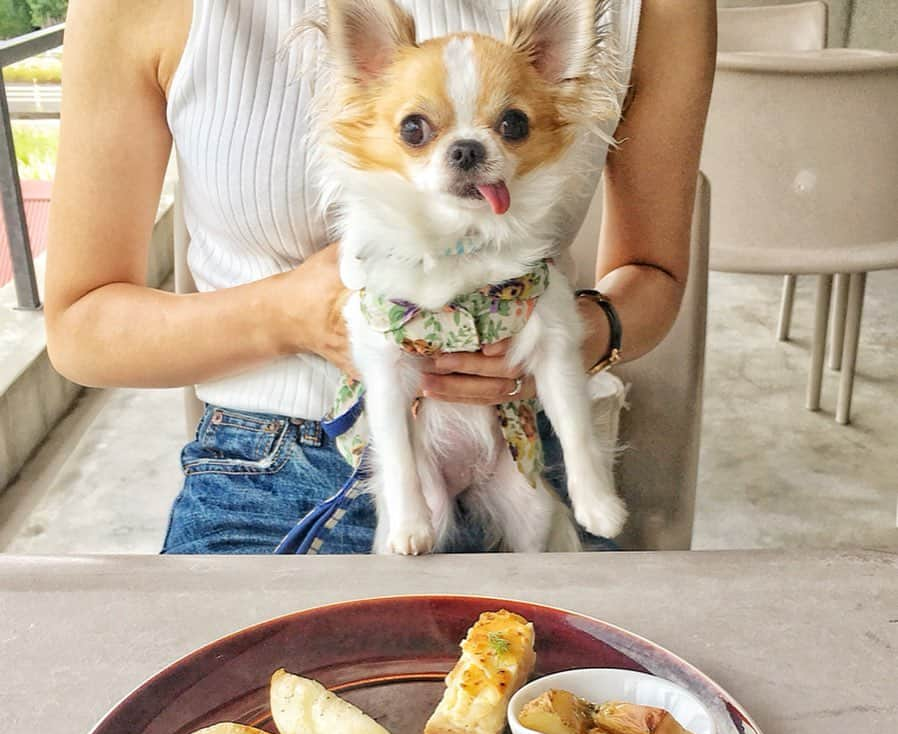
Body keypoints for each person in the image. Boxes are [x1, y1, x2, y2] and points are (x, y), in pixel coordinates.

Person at [44, 0, 715, 554]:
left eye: (508, 125)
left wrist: (564, 337)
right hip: (269, 469)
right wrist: (292, 315)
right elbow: (81, 326)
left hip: (519, 447)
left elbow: (652, 274)